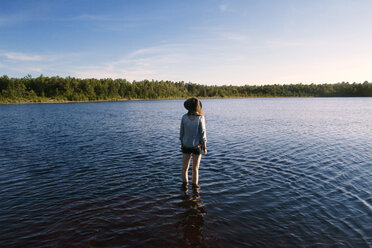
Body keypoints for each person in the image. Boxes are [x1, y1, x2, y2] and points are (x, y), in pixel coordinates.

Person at [180, 97, 207, 188]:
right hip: (197, 146)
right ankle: (195, 190)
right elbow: (203, 133)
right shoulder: (201, 118)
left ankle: (185, 188)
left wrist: (181, 144)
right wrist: (205, 147)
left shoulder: (184, 117)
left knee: (185, 169)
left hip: (186, 145)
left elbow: (181, 133)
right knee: (195, 169)